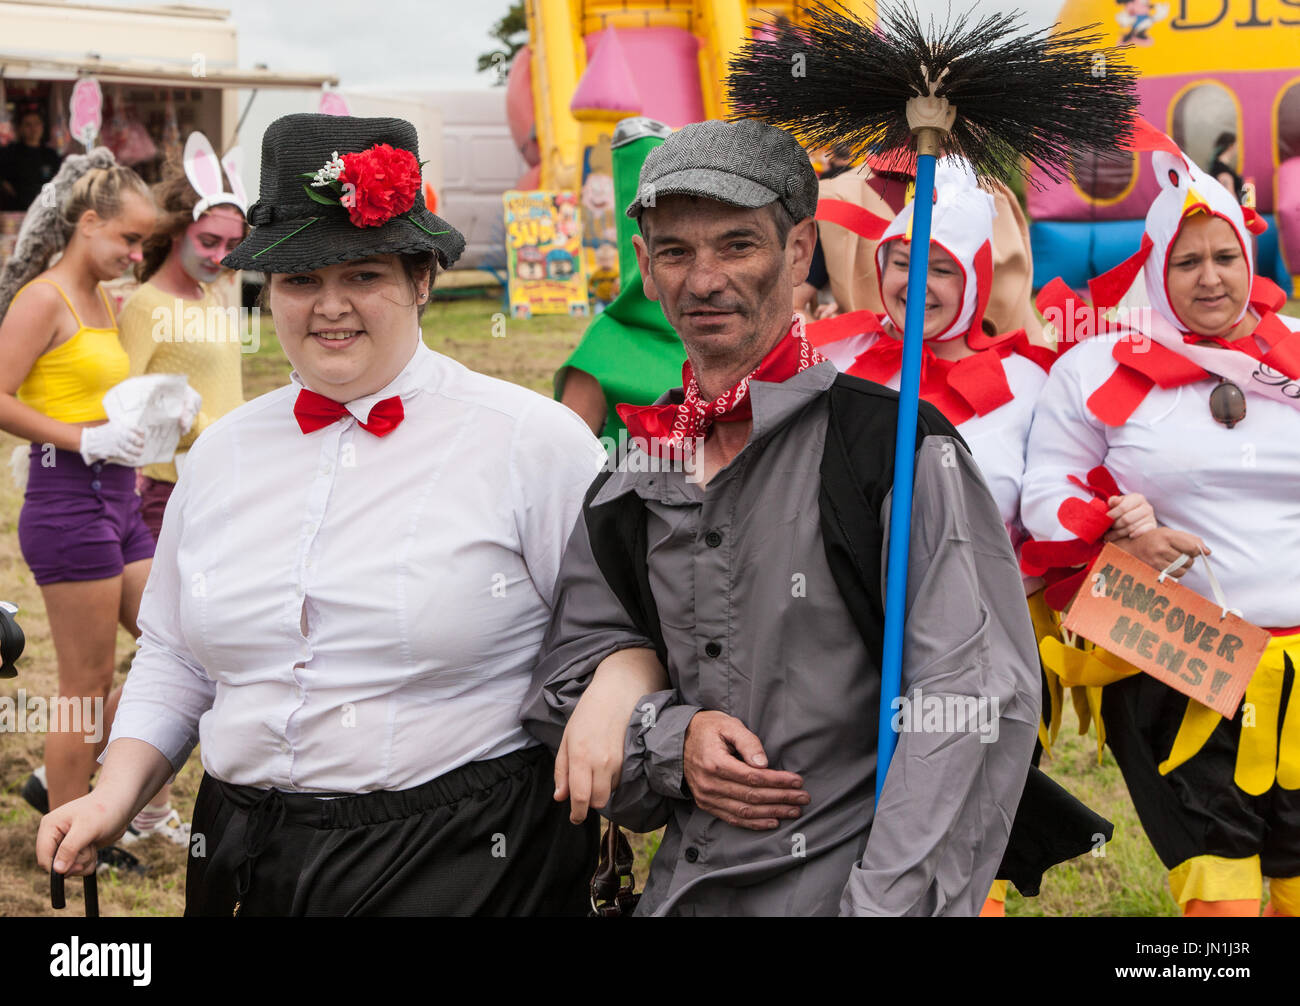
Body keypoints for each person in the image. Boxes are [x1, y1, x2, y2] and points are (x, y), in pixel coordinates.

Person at [521, 118, 1094, 916]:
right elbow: (562, 681)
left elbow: (971, 703)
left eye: (737, 245)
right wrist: (667, 740)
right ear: (646, 270)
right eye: (676, 252)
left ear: (798, 252)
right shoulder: (638, 468)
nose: (705, 279)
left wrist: (885, 904)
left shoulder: (891, 449)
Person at [36, 113, 605, 916]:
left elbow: (614, 632)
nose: (329, 306)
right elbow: (175, 655)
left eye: (363, 275)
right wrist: (113, 794)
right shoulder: (222, 453)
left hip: (462, 859)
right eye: (302, 281)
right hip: (240, 855)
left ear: (421, 281)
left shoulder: (533, 443)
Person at [812, 157, 1155, 914]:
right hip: (839, 640)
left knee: (960, 833)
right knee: (844, 823)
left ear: (973, 276)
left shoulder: (1032, 384)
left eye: (941, 267)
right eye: (903, 262)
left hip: (981, 648)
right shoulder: (832, 363)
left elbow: (1066, 497)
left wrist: (1117, 519)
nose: (916, 284)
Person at [1021, 133, 1300, 917]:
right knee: (1221, 896)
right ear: (1155, 270)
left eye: (1225, 257)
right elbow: (1046, 489)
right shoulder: (1099, 366)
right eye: (1186, 261)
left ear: (1252, 259)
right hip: (1180, 660)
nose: (1209, 277)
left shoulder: (1296, 355)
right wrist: (1120, 538)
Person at [0, 147, 195, 866]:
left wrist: (163, 415)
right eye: (128, 240)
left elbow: (103, 396)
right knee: (86, 682)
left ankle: (83, 793)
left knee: (175, 639)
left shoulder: (106, 301)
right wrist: (85, 438)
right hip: (65, 506)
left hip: (120, 501)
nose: (135, 255)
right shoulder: (42, 299)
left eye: (143, 243)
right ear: (87, 224)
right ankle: (68, 836)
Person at [118, 132, 248, 541]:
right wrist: (204, 429)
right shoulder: (145, 305)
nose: (219, 256)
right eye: (208, 241)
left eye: (231, 244)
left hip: (226, 478)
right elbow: (124, 403)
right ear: (177, 230)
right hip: (172, 489)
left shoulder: (208, 294)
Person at [0, 107, 63, 212]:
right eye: (28, 125)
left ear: (42, 127)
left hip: (46, 211)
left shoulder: (51, 155)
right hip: (18, 210)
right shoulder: (10, 152)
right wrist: (12, 192)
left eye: (37, 124)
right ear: (20, 128)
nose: (33, 128)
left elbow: (59, 181)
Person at [1208, 131, 1243, 201]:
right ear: (1231, 146)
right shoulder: (1223, 171)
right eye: (1237, 144)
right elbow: (1230, 200)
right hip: (1232, 210)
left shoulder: (1218, 166)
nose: (1238, 148)